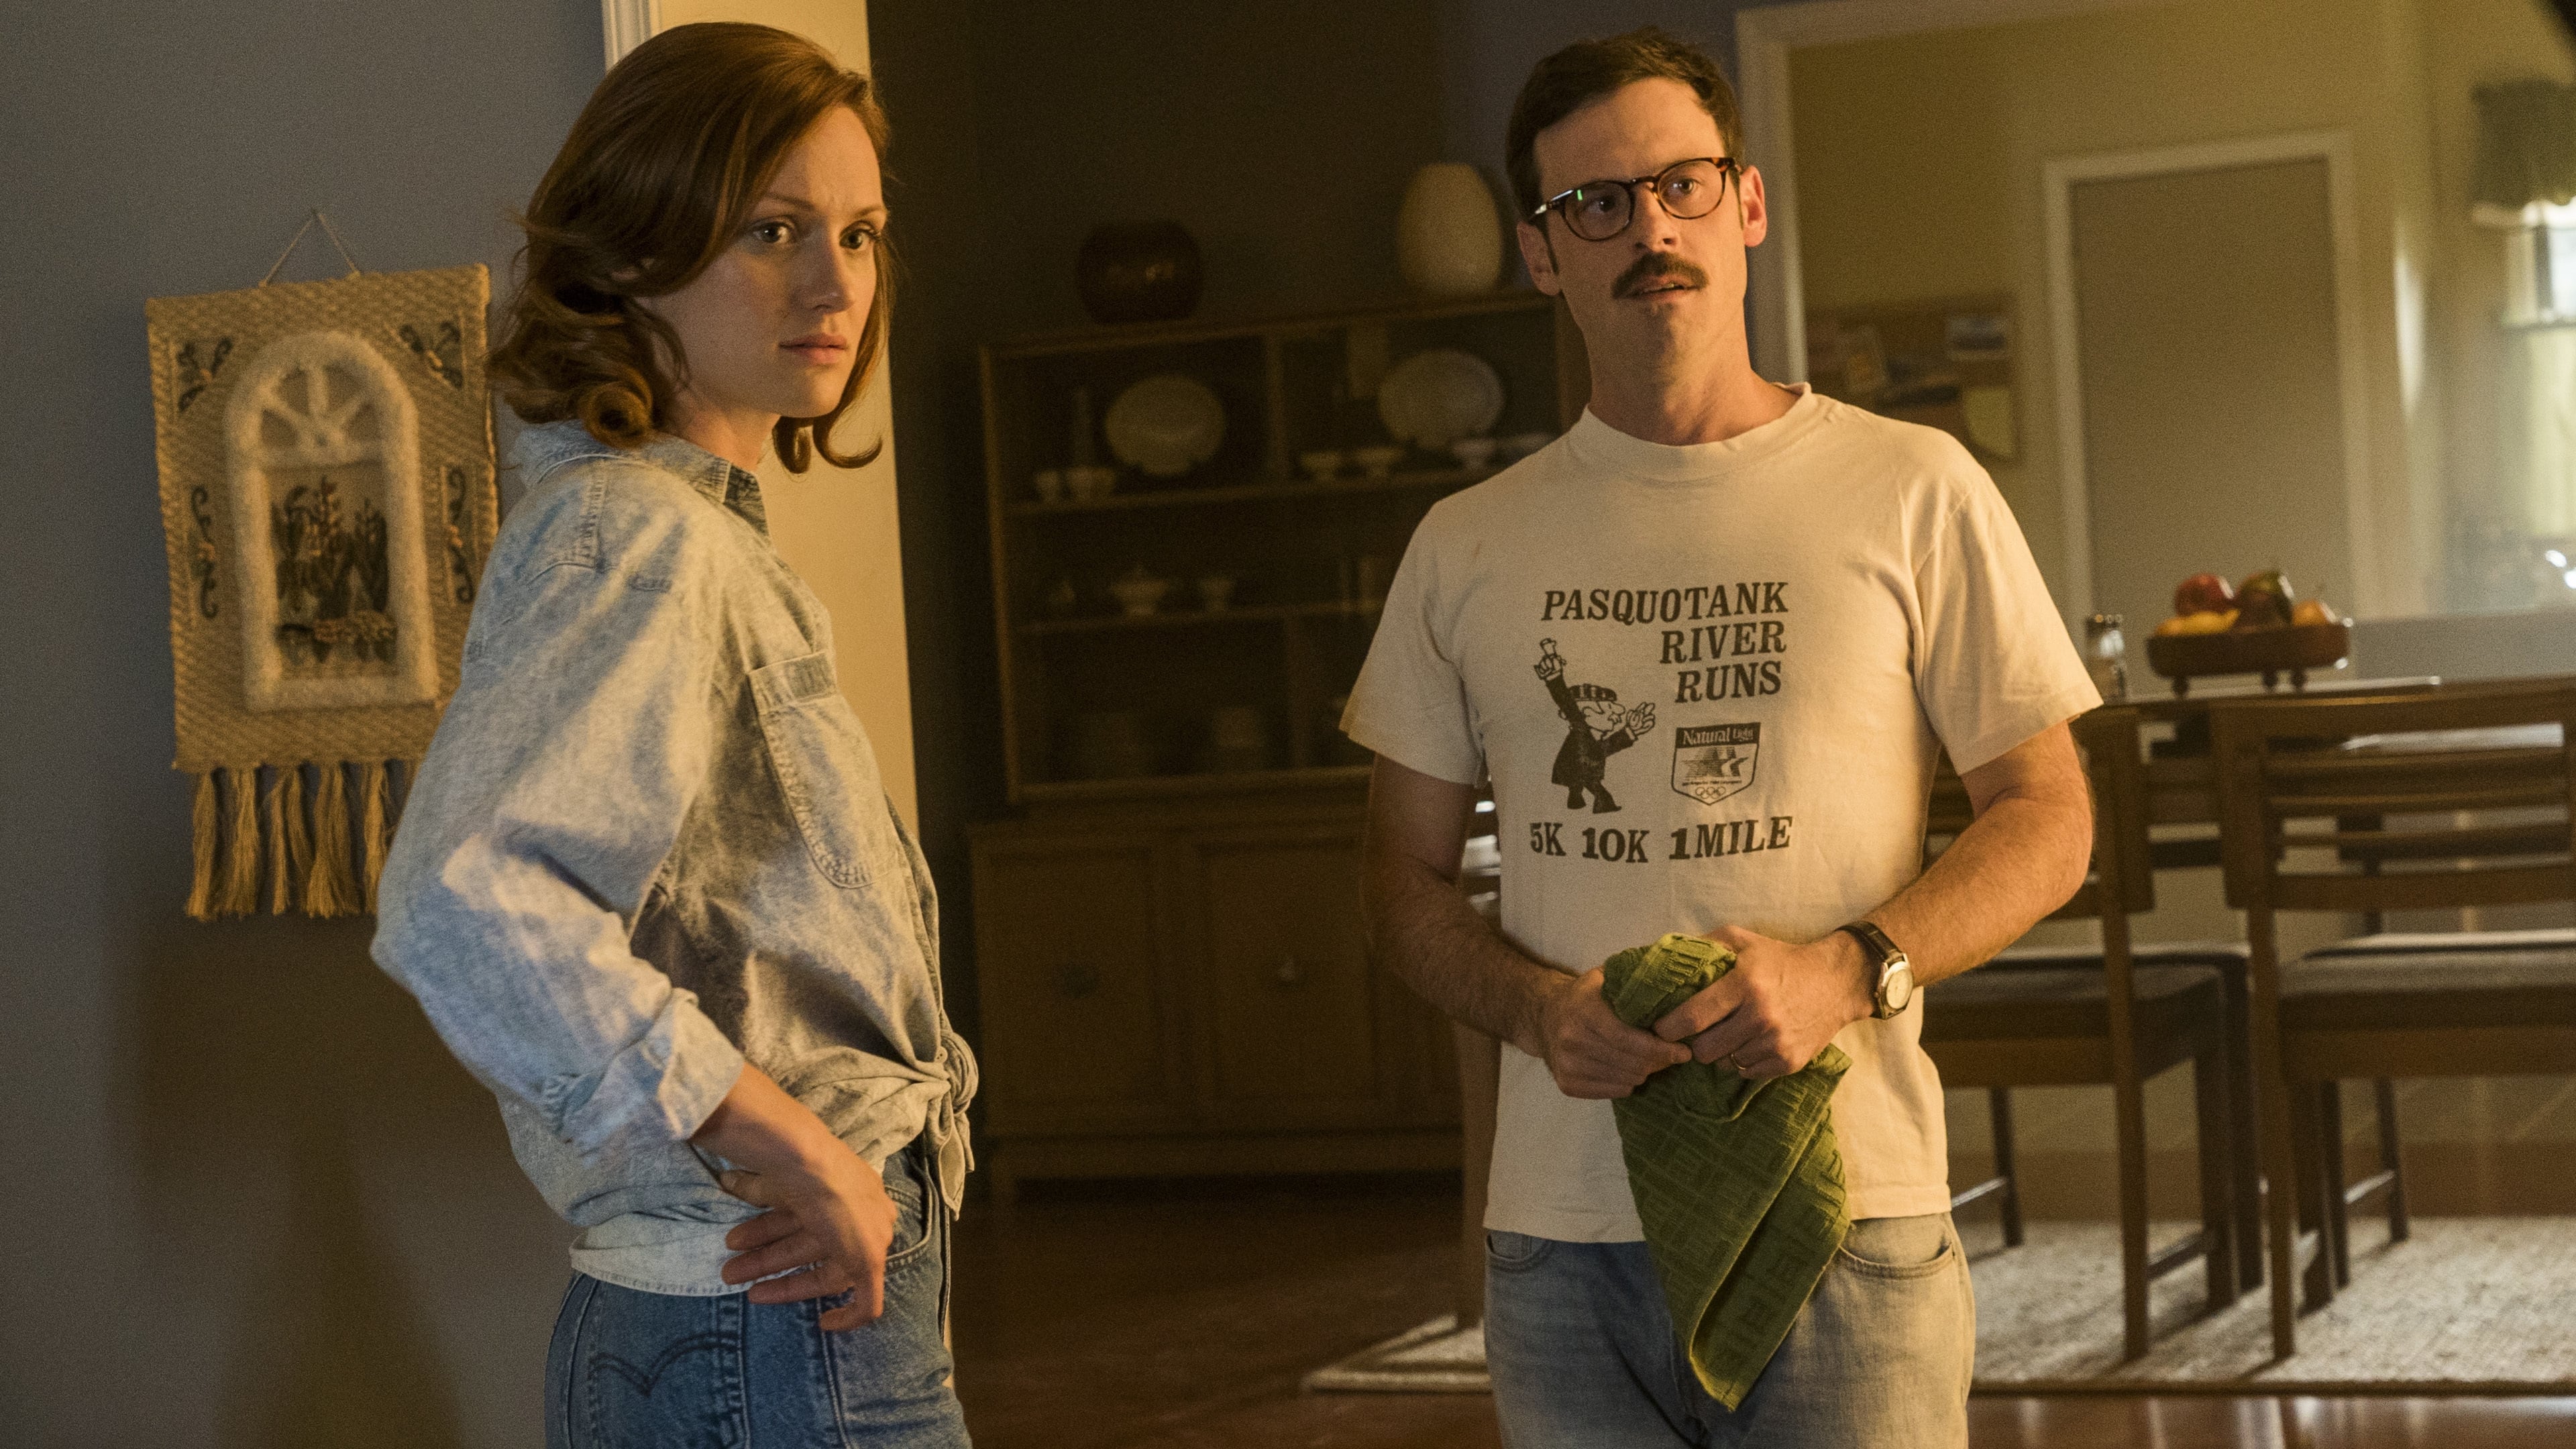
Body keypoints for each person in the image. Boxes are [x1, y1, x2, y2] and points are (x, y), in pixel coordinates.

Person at [1344, 27, 2098, 1449]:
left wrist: (1849, 969)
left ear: (1747, 205)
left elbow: (2050, 817)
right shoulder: (1464, 546)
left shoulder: (1914, 487)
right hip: (1562, 1243)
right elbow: (1399, 880)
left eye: (1681, 185)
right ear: (1541, 253)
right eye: (1597, 204)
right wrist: (1536, 1012)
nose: (1650, 230)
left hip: (1849, 1217)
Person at [371, 23, 974, 1448]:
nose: (838, 283)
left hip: (745, 1332)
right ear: (633, 250)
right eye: (774, 231)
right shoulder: (643, 535)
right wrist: (783, 1135)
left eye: (861, 233)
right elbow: (461, 896)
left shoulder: (680, 531)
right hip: (769, 1328)